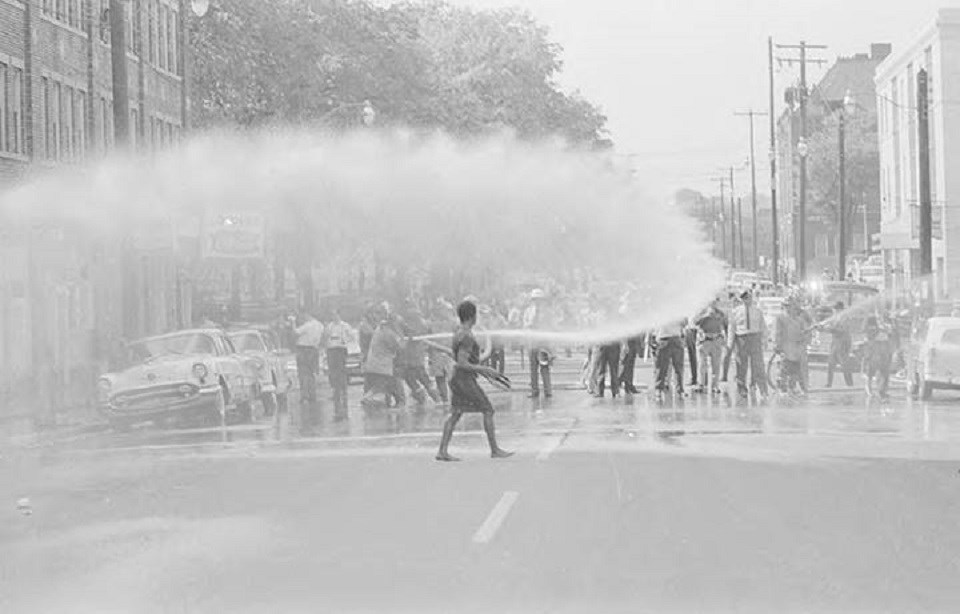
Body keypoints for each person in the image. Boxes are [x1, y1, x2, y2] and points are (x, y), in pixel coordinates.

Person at [436, 301, 515, 462]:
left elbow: (459, 360)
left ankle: (442, 451)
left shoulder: (458, 332)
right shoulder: (467, 336)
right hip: (464, 380)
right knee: (488, 410)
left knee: (455, 413)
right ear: (472, 316)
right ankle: (494, 450)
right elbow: (462, 362)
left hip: (457, 378)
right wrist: (486, 370)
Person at [727, 290, 768, 399]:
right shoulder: (735, 311)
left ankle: (763, 389)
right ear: (742, 299)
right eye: (745, 298)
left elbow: (763, 326)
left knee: (758, 365)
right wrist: (730, 344)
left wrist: (765, 340)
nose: (747, 300)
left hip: (755, 338)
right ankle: (742, 388)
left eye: (749, 298)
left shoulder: (757, 311)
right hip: (742, 338)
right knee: (741, 365)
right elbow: (732, 328)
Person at [361, 315, 404, 408]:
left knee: (381, 384)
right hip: (382, 365)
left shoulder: (378, 329)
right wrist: (403, 339)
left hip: (372, 363)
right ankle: (367, 397)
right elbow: (399, 346)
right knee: (382, 384)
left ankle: (380, 401)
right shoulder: (388, 333)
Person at [321, 309, 355, 420]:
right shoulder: (329, 326)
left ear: (339, 315)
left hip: (340, 349)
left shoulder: (345, 326)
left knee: (341, 370)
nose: (334, 317)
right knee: (333, 371)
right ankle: (336, 389)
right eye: (332, 315)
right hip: (331, 350)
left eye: (336, 315)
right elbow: (325, 337)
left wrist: (345, 340)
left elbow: (352, 336)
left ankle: (343, 389)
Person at [523, 288, 553, 399]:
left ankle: (547, 391)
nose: (537, 302)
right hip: (532, 343)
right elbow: (525, 325)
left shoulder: (547, 313)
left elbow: (550, 327)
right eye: (535, 299)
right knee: (533, 369)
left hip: (543, 344)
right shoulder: (527, 312)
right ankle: (534, 390)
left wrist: (550, 346)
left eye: (539, 299)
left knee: (544, 368)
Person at [694, 297, 727, 395]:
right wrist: (706, 316)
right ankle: (701, 384)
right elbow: (695, 322)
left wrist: (724, 339)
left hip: (716, 340)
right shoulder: (701, 311)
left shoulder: (720, 313)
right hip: (704, 340)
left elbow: (725, 324)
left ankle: (715, 386)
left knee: (716, 365)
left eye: (715, 301)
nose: (713, 303)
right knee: (701, 365)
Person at [774, 298, 806, 394]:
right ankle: (782, 388)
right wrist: (778, 345)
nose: (789, 308)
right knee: (784, 368)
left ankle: (792, 387)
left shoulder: (799, 320)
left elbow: (802, 333)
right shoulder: (781, 318)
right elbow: (778, 332)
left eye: (791, 306)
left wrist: (802, 341)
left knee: (795, 368)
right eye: (787, 306)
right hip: (785, 346)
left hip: (796, 348)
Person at [293, 312, 323, 407]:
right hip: (314, 350)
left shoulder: (307, 325)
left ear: (308, 315)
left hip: (303, 350)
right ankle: (312, 395)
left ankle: (304, 396)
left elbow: (296, 332)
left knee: (303, 374)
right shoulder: (320, 325)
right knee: (311, 374)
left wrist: (293, 322)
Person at [654, 318, 686, 400]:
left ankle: (659, 390)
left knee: (662, 367)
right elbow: (684, 323)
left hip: (665, 337)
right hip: (673, 337)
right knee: (677, 367)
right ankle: (680, 391)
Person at [824, 301, 854, 388]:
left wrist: (831, 329)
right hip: (835, 343)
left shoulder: (845, 318)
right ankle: (829, 384)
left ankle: (850, 385)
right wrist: (824, 328)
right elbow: (830, 327)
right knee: (830, 364)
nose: (835, 310)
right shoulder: (835, 318)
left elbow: (842, 330)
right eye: (835, 309)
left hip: (843, 343)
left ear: (841, 309)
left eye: (836, 309)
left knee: (845, 365)